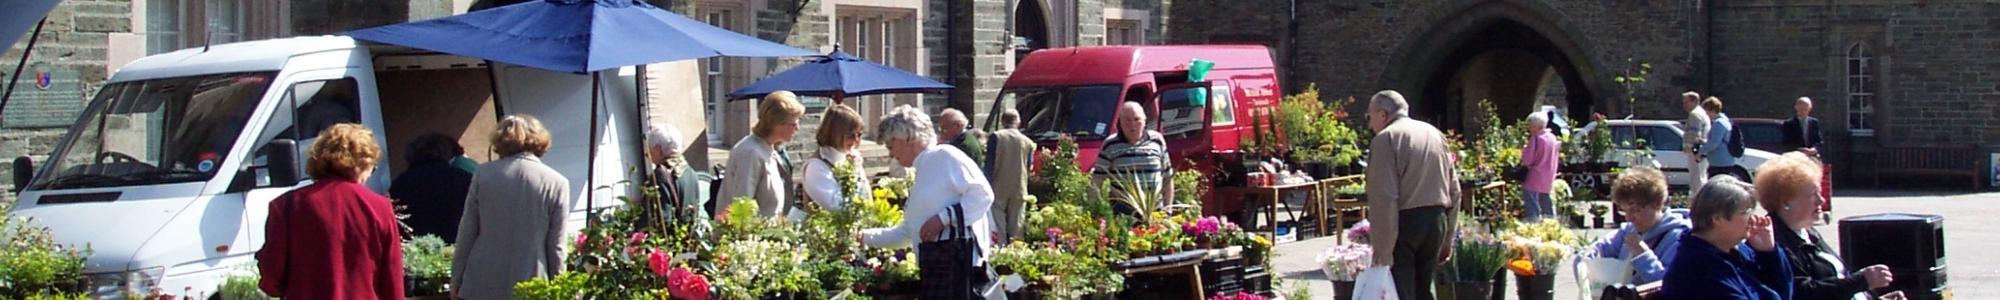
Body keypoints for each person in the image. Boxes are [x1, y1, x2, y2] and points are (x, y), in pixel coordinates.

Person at [859, 105, 997, 299]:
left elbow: (983, 195)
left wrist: (943, 218)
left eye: (891, 146)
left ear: (907, 138)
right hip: (940, 270)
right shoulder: (924, 168)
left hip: (959, 271)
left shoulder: (945, 156)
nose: (891, 154)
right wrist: (864, 236)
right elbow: (909, 232)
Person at [257, 124, 404, 300]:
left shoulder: (285, 205)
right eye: (372, 168)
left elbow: (271, 280)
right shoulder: (380, 207)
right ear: (363, 163)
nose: (370, 175)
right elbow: (392, 283)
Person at [452, 115, 571, 300]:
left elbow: (467, 231)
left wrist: (456, 280)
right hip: (531, 281)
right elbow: (556, 246)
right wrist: (560, 288)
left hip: (482, 281)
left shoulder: (483, 174)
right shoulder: (557, 182)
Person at [1362, 90, 1459, 300]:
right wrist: (1448, 236)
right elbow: (1455, 189)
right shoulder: (1435, 134)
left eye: (1369, 117)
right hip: (1436, 220)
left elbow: (1384, 197)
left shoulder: (1385, 139)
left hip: (1404, 223)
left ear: (1382, 114)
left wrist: (1382, 249)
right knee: (1425, 290)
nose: (1370, 125)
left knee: (1402, 290)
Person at [1757, 152, 1893, 300]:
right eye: (1813, 194)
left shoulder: (1807, 231)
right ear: (1786, 202)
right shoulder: (1772, 240)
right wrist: (1862, 281)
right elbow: (1804, 292)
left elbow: (1839, 278)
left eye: (1820, 193)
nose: (1821, 200)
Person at [1661, 175, 1792, 300]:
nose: (1753, 219)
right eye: (1745, 212)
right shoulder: (1698, 268)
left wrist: (1768, 253)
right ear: (1717, 218)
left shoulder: (1735, 250)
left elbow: (1784, 293)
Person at [1589, 166, 1691, 284]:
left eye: (1635, 210)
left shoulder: (1680, 239)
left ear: (1657, 204)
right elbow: (1596, 251)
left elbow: (1669, 287)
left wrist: (1642, 255)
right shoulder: (1628, 231)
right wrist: (1585, 262)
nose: (1629, 218)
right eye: (1624, 210)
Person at [721, 91, 805, 218]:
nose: (797, 129)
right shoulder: (751, 153)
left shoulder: (769, 149)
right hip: (750, 235)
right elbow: (742, 206)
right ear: (776, 124)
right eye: (793, 124)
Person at [1091, 101, 1175, 215]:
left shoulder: (1157, 140)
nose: (1132, 125)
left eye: (1137, 119)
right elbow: (1097, 180)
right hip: (1123, 214)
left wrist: (1168, 209)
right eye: (1127, 120)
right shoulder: (1110, 145)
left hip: (1155, 212)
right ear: (1120, 122)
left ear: (1144, 120)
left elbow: (1167, 177)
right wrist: (1095, 212)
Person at [391, 133, 475, 243]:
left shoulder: (401, 183)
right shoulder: (463, 178)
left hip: (416, 248)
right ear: (445, 153)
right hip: (458, 244)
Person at [802, 105, 872, 211]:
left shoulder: (851, 158)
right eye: (851, 135)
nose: (856, 140)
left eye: (859, 134)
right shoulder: (816, 167)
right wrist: (854, 171)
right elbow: (837, 206)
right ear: (835, 134)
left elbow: (866, 196)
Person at [985, 109, 1037, 240]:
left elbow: (989, 165)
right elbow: (1029, 167)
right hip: (1019, 186)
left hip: (998, 185)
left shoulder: (996, 137)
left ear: (1002, 121)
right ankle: (1017, 253)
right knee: (1017, 226)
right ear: (1018, 122)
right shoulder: (1028, 142)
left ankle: (1000, 250)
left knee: (998, 224)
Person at [645, 123, 710, 223]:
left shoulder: (660, 175)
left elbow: (662, 220)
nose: (648, 155)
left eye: (649, 150)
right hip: (689, 236)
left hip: (670, 237)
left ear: (658, 150)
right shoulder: (690, 172)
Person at [1520, 112, 1561, 221]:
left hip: (1535, 175)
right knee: (1547, 203)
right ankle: (1552, 225)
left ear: (1536, 126)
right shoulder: (1552, 138)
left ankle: (1533, 226)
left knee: (1532, 205)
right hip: (1549, 175)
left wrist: (1524, 150)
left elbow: (1527, 161)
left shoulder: (1536, 139)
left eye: (1530, 125)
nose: (1529, 128)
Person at [1701, 97, 1749, 181]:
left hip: (1719, 162)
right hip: (1725, 160)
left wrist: (1700, 151)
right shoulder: (1726, 121)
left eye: (1706, 111)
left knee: (1716, 186)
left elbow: (1714, 143)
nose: (1705, 114)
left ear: (1711, 110)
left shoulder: (1718, 123)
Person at [1681, 91, 1712, 191]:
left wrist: (1694, 151)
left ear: (1694, 101)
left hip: (1696, 152)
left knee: (1696, 179)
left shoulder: (1695, 114)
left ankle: (1697, 201)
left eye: (1686, 102)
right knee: (1701, 177)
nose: (1684, 105)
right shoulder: (1703, 113)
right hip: (1702, 150)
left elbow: (1694, 134)